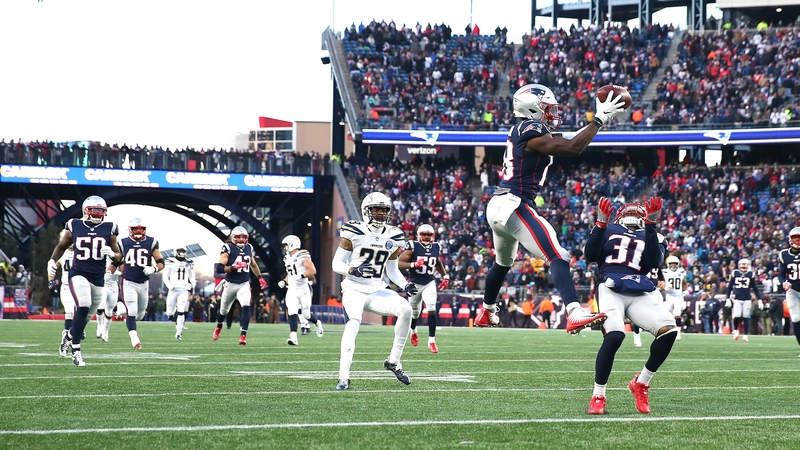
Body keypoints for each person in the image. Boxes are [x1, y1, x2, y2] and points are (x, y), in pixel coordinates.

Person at [477, 83, 626, 333]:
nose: (552, 113)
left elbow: (571, 139)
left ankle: (486, 311)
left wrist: (600, 120)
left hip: (498, 204)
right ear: (532, 109)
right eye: (547, 109)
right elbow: (572, 147)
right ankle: (574, 312)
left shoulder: (526, 129)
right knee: (558, 256)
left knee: (502, 263)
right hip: (514, 204)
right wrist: (599, 119)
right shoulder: (531, 129)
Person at [584, 197, 678, 415]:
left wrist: (652, 226)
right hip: (611, 286)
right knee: (615, 335)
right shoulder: (607, 229)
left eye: (640, 213)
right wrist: (599, 224)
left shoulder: (654, 234)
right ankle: (598, 394)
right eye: (631, 211)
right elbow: (590, 255)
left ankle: (641, 382)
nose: (635, 214)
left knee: (668, 329)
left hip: (640, 289)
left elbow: (654, 262)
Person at [331, 192, 416, 390]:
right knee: (353, 324)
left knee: (406, 310)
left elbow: (392, 271)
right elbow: (336, 263)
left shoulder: (393, 235)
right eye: (376, 209)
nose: (379, 214)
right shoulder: (355, 231)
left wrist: (405, 285)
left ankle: (393, 361)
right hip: (354, 289)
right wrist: (352, 269)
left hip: (377, 289)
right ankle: (344, 376)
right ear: (367, 211)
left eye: (384, 210)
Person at [48, 195, 122, 367]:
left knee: (86, 318)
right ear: (86, 211)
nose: (97, 215)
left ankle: (68, 335)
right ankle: (76, 351)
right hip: (78, 273)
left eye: (101, 212)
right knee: (83, 305)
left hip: (97, 277)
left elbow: (119, 258)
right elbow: (61, 246)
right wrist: (52, 260)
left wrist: (112, 254)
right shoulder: (75, 224)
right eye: (94, 211)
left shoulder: (109, 229)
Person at [106, 218, 165, 348]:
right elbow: (116, 262)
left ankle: (122, 307)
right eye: (135, 228)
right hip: (128, 281)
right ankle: (135, 339)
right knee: (132, 311)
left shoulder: (151, 242)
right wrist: (108, 273)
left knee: (140, 315)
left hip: (144, 283)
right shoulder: (123, 243)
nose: (138, 231)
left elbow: (161, 262)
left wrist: (154, 268)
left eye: (141, 228)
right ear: (130, 229)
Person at [398, 224, 449, 353]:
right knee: (414, 313)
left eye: (429, 235)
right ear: (419, 235)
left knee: (431, 308)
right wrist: (413, 264)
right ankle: (413, 330)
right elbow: (398, 263)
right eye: (424, 235)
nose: (427, 237)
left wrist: (445, 276)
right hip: (415, 283)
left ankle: (431, 340)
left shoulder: (436, 246)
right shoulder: (413, 246)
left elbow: (436, 262)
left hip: (429, 282)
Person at [212, 226, 267, 345]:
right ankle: (219, 326)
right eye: (239, 237)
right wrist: (233, 267)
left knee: (246, 305)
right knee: (223, 311)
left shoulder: (249, 247)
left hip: (244, 283)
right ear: (233, 237)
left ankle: (243, 335)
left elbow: (253, 264)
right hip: (230, 284)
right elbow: (220, 268)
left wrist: (260, 278)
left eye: (243, 237)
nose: (241, 239)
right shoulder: (228, 248)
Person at [279, 234, 323, 345]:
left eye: (286, 245)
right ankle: (293, 337)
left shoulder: (302, 255)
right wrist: (284, 281)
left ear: (292, 244)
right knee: (292, 312)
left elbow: (312, 270)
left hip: (303, 288)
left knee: (306, 314)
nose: (284, 248)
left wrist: (302, 275)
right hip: (292, 288)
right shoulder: (287, 258)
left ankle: (317, 322)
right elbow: (290, 274)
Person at [48, 233, 76, 357]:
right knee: (69, 312)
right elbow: (53, 267)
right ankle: (67, 341)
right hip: (66, 286)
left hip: (81, 287)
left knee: (82, 313)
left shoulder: (83, 252)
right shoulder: (62, 253)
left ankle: (70, 334)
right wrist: (51, 280)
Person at [777, 227, 800, 354]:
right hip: (793, 291)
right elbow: (781, 274)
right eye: (795, 238)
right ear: (790, 240)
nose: (797, 241)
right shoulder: (784, 254)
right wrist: (783, 282)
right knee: (796, 318)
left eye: (799, 238)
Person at [163, 248, 195, 340]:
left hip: (183, 290)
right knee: (169, 312)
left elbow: (192, 275)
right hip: (173, 289)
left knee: (181, 310)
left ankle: (178, 333)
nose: (181, 253)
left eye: (183, 252)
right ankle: (172, 317)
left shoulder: (189, 262)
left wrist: (191, 284)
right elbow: (165, 276)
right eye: (180, 251)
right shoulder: (170, 261)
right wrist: (169, 285)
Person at [727, 258, 760, 342]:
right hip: (737, 298)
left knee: (745, 317)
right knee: (737, 315)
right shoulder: (735, 273)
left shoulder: (750, 274)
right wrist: (727, 298)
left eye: (745, 264)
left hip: (747, 298)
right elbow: (730, 287)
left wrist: (759, 299)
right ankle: (736, 330)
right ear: (738, 265)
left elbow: (755, 288)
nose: (743, 266)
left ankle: (745, 334)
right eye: (742, 264)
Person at [663, 255, 687, 340]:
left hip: (678, 297)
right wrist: (663, 288)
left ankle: (678, 333)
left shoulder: (681, 272)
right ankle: (667, 331)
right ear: (668, 264)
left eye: (675, 264)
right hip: (669, 297)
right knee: (666, 315)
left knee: (677, 315)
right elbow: (661, 283)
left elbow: (684, 282)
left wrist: (685, 290)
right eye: (671, 264)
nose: (673, 265)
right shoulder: (665, 272)